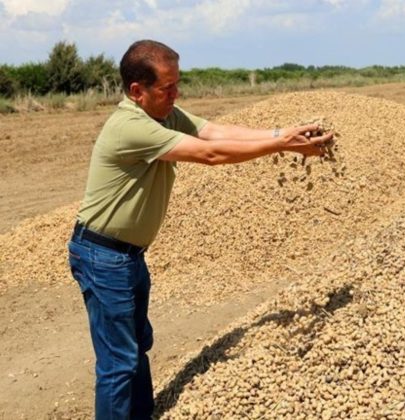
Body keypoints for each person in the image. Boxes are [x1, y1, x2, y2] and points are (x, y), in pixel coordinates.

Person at [67, 39, 332, 419]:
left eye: (178, 84)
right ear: (137, 91)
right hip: (102, 255)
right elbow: (209, 155)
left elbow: (215, 133)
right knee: (118, 363)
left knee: (135, 347)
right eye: (167, 88)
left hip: (126, 255)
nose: (176, 94)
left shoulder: (163, 113)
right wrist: (282, 145)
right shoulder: (131, 126)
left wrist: (283, 133)